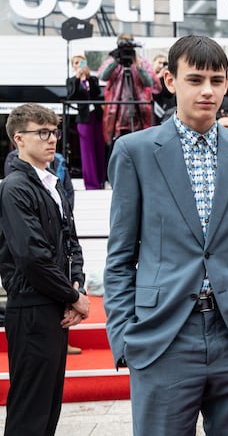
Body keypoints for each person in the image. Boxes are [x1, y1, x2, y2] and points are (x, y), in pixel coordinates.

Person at [103, 35, 228, 435]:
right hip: (163, 337)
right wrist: (125, 336)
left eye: (216, 80)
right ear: (170, 80)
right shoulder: (134, 151)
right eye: (195, 79)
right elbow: (120, 256)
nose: (207, 91)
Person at [0, 103, 90, 436]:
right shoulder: (15, 187)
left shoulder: (52, 183)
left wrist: (77, 284)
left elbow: (71, 241)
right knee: (30, 411)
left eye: (54, 132)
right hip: (31, 307)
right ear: (19, 139)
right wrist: (73, 297)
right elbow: (32, 256)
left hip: (53, 304)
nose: (52, 139)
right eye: (42, 132)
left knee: (48, 407)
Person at [99, 34, 158, 146]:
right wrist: (116, 62)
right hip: (117, 113)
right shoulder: (112, 61)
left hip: (138, 112)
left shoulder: (141, 61)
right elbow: (103, 76)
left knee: (139, 143)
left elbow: (149, 83)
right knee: (117, 145)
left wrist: (138, 67)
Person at [66, 54, 106, 189]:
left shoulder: (92, 79)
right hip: (84, 118)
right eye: (76, 63)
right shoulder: (71, 81)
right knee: (87, 151)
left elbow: (97, 93)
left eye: (82, 62)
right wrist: (78, 79)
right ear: (73, 66)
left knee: (99, 148)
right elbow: (71, 96)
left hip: (97, 116)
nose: (79, 65)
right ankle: (91, 184)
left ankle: (101, 180)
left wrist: (88, 78)